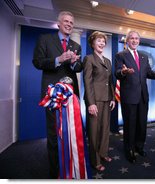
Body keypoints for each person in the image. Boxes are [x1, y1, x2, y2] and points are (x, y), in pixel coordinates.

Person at [33, 11, 82, 178]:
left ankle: (71, 170)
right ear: (59, 23)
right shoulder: (45, 39)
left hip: (70, 96)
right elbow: (37, 62)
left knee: (71, 135)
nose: (69, 24)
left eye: (71, 22)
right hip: (52, 96)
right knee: (55, 135)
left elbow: (78, 68)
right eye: (66, 21)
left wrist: (75, 63)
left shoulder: (76, 45)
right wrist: (58, 60)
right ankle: (56, 174)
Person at [115, 30, 155, 163]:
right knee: (130, 125)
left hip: (143, 97)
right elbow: (117, 73)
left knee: (141, 124)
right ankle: (129, 150)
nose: (134, 41)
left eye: (137, 39)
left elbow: (149, 73)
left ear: (139, 41)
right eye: (132, 38)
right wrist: (123, 72)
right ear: (127, 41)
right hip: (129, 97)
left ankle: (139, 146)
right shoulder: (120, 55)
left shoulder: (143, 56)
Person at [83, 31, 115, 171]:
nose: (102, 43)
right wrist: (91, 103)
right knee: (94, 132)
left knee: (104, 129)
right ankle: (95, 161)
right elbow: (87, 82)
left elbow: (110, 81)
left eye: (103, 41)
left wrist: (113, 97)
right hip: (95, 100)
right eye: (99, 41)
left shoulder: (107, 61)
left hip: (107, 99)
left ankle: (103, 153)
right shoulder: (89, 59)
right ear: (92, 43)